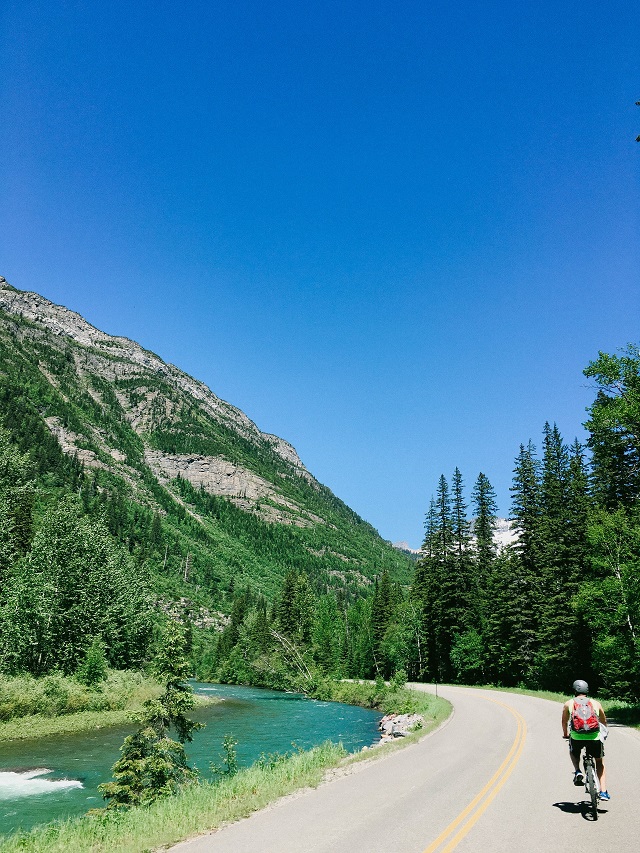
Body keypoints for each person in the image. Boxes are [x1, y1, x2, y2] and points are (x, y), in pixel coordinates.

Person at [562, 679, 610, 801]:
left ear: (574, 690)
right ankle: (603, 791)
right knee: (599, 761)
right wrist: (604, 732)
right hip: (594, 736)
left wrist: (566, 734)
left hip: (577, 736)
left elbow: (564, 721)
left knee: (573, 750)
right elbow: (603, 720)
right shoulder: (595, 703)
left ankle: (578, 771)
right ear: (587, 690)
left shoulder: (569, 703)